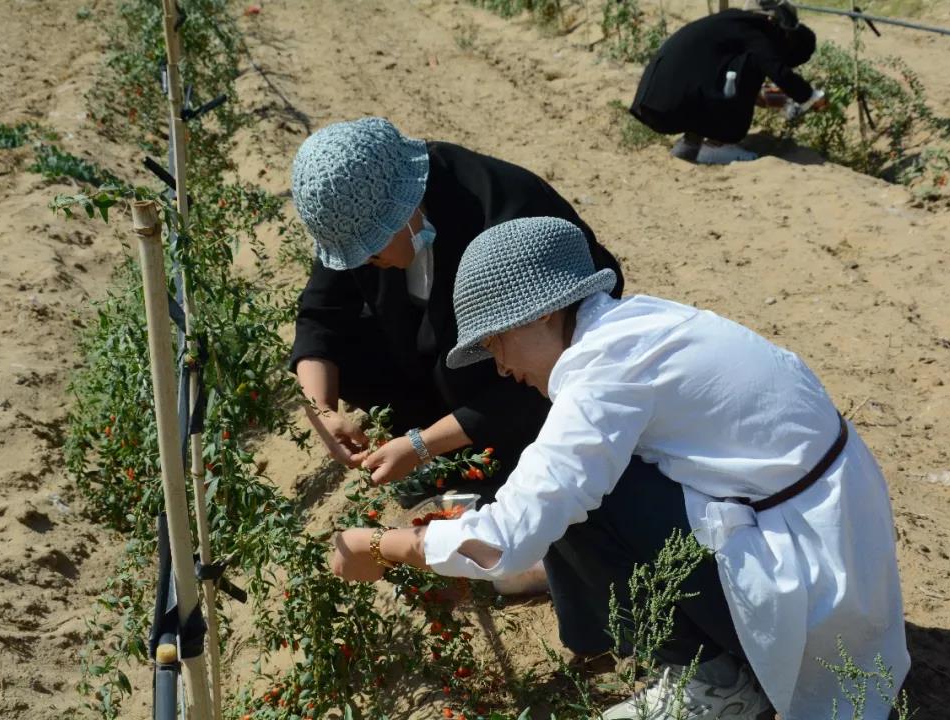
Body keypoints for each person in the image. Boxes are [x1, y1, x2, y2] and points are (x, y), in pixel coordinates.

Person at [330, 217, 910, 719]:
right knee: (577, 476)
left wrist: (379, 547)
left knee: (583, 499)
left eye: (498, 341)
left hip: (810, 587)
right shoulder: (632, 326)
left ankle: (718, 685)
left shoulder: (604, 375)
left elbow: (509, 535)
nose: (500, 366)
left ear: (548, 312)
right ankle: (705, 652)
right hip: (827, 539)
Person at [289, 117, 624, 512]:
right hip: (434, 358)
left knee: (524, 367)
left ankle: (492, 461)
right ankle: (445, 452)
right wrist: (323, 412)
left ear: (402, 210)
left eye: (372, 251)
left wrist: (422, 444)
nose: (364, 262)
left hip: (518, 370)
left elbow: (559, 351)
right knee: (344, 352)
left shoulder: (507, 215)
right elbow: (321, 315)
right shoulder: (360, 208)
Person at [629, 0, 826, 165]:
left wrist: (779, 99)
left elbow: (747, 89)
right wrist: (811, 97)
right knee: (752, 66)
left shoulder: (732, 26)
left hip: (656, 102)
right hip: (670, 107)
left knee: (741, 71)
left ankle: (692, 143)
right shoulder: (758, 31)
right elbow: (776, 72)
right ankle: (719, 144)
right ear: (772, 20)